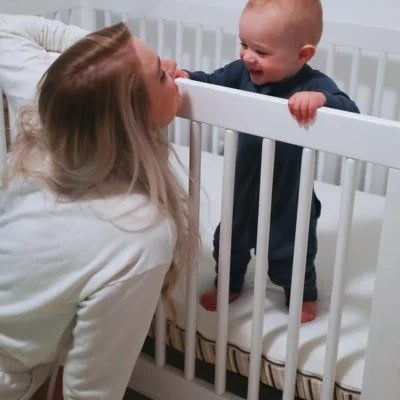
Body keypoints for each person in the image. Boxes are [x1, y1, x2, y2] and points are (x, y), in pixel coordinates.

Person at [0, 17, 197, 400]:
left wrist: (102, 61)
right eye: (160, 75)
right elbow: (89, 392)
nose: (173, 74)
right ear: (130, 121)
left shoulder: (50, 103)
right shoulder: (137, 233)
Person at [170, 0, 359, 322]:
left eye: (261, 52)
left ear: (303, 55)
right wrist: (188, 77)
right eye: (243, 44)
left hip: (290, 195)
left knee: (292, 251)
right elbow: (210, 82)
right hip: (244, 187)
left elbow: (351, 113)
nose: (247, 56)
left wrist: (322, 101)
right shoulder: (240, 72)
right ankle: (228, 283)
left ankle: (301, 294)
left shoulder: (312, 85)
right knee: (229, 240)